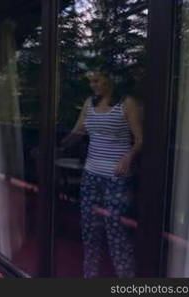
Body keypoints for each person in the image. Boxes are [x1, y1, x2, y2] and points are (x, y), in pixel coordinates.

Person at [60, 70, 143, 278]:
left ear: (110, 78)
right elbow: (78, 132)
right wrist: (55, 148)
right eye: (91, 81)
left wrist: (128, 156)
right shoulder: (90, 103)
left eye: (97, 80)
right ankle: (90, 275)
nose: (93, 84)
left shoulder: (127, 103)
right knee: (89, 228)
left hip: (116, 176)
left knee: (116, 228)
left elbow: (140, 139)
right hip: (91, 174)